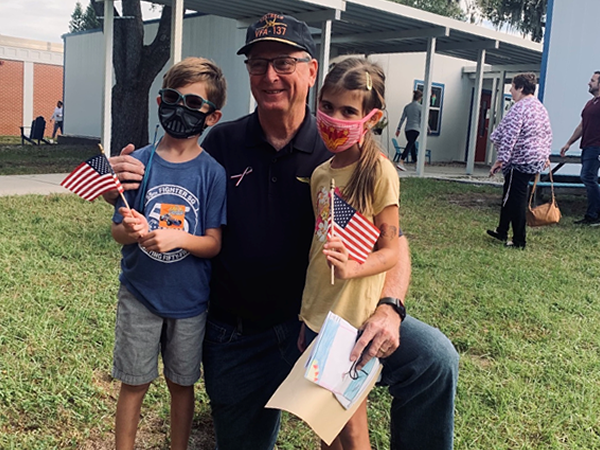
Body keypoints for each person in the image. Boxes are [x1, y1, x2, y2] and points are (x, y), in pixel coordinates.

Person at [107, 13, 458, 450]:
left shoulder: (341, 151)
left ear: (312, 71)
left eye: (284, 63)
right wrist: (125, 184)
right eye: (257, 64)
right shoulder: (219, 145)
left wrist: (390, 306)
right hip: (238, 336)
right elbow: (166, 188)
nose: (270, 75)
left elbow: (393, 240)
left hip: (328, 321)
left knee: (434, 360)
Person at [109, 57, 227, 450]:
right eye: (172, 98)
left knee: (182, 383)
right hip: (140, 295)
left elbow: (212, 242)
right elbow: (117, 232)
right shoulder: (138, 163)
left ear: (212, 117)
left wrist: (177, 238)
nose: (180, 109)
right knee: (134, 382)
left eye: (194, 104)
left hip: (190, 302)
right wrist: (129, 230)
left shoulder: (212, 172)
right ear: (160, 99)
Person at [299, 57, 400, 449]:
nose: (333, 118)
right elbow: (319, 239)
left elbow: (390, 250)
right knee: (325, 420)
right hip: (315, 312)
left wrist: (355, 267)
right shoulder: (322, 173)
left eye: (348, 111)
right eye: (326, 106)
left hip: (351, 323)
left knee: (351, 424)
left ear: (370, 118)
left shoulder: (379, 173)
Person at [487, 73, 552, 249]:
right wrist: (545, 155)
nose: (510, 90)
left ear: (520, 88)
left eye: (512, 86)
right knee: (510, 194)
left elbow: (510, 136)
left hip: (519, 160)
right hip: (535, 159)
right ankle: (501, 230)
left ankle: (519, 240)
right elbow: (547, 134)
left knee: (516, 198)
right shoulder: (540, 108)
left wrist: (501, 160)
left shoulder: (519, 108)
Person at [560, 71, 600, 225]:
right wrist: (569, 143)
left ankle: (593, 215)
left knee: (588, 177)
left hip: (597, 147)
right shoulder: (590, 104)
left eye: (592, 80)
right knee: (588, 178)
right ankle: (593, 214)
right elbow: (582, 125)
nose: (589, 83)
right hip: (587, 146)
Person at [395, 90, 422, 171]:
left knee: (411, 144)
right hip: (416, 129)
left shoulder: (407, 107)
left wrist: (398, 129)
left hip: (407, 130)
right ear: (420, 98)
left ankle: (416, 163)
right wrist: (428, 128)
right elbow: (423, 119)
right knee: (410, 144)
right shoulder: (420, 107)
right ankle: (401, 161)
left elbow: (402, 119)